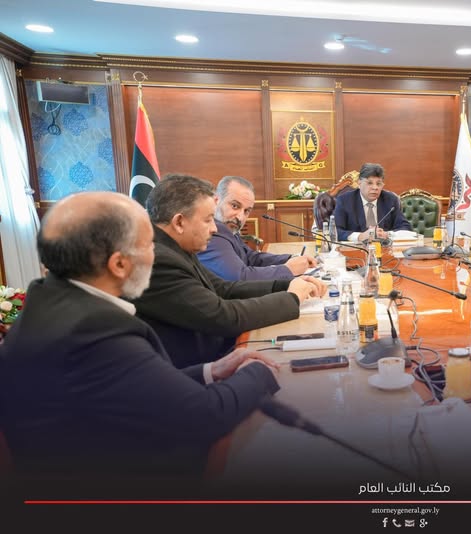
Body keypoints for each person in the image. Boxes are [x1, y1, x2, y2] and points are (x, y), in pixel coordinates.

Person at [0, 192, 281, 483]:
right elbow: (204, 417)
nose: (155, 255)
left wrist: (211, 371)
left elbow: (132, 385)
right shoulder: (94, 330)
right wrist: (260, 371)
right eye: (148, 245)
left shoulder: (49, 300)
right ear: (119, 264)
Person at [133, 174, 326, 368]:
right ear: (179, 222)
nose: (215, 229)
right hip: (197, 368)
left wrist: (286, 284)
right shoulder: (158, 260)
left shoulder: (177, 247)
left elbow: (224, 289)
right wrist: (292, 298)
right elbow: (222, 316)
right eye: (208, 220)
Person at [198, 175, 317, 280]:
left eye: (246, 211)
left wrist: (290, 258)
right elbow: (240, 277)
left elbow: (251, 257)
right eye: (235, 206)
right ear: (216, 200)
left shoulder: (227, 227)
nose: (240, 217)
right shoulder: (212, 232)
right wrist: (288, 270)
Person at [332, 162, 411, 242]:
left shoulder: (390, 200)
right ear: (359, 183)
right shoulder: (345, 200)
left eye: (378, 184)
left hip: (384, 247)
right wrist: (360, 236)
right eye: (369, 183)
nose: (375, 187)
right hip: (356, 248)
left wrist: (387, 234)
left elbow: (405, 228)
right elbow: (336, 231)